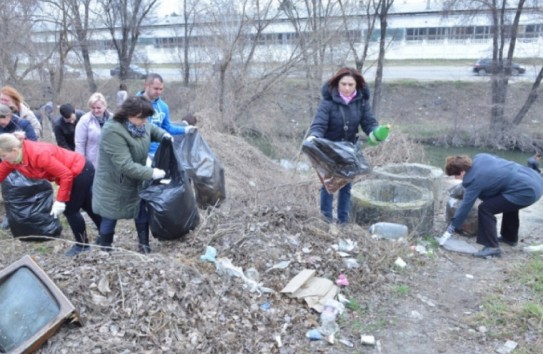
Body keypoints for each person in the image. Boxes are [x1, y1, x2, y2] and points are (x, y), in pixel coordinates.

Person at [306, 67, 387, 224]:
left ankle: (343, 222)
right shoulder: (328, 103)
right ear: (337, 84)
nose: (347, 88)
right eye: (344, 84)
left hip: (349, 151)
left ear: (357, 85)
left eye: (351, 84)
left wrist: (376, 133)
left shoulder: (361, 103)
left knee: (345, 187)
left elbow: (369, 123)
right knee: (328, 186)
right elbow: (319, 124)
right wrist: (313, 137)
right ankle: (326, 220)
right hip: (329, 151)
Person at [0, 133, 102, 256]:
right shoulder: (14, 159)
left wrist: (60, 200)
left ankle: (82, 245)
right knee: (86, 205)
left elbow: (66, 175)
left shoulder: (38, 154)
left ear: (14, 150)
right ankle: (105, 234)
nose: (3, 158)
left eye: (3, 155)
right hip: (74, 172)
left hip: (80, 170)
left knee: (70, 210)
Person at [92, 96, 170, 254]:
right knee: (110, 216)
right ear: (129, 114)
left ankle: (144, 246)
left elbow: (152, 130)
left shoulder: (141, 124)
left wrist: (165, 136)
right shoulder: (112, 131)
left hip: (136, 181)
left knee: (141, 212)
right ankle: (105, 249)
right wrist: (152, 173)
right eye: (142, 118)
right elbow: (125, 165)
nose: (145, 121)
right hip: (114, 183)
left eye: (146, 118)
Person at [443, 154, 543, 258]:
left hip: (528, 191)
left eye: (455, 175)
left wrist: (451, 228)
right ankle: (509, 238)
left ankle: (492, 247)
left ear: (462, 171)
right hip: (534, 180)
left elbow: (465, 207)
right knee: (507, 201)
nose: (456, 178)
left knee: (485, 208)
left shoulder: (473, 180)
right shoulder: (481, 157)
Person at [137, 73, 197, 158]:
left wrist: (186, 129)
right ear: (147, 85)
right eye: (156, 88)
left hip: (158, 152)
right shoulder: (134, 103)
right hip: (139, 153)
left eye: (161, 89)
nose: (158, 92)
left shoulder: (163, 107)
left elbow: (168, 127)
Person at [75, 92, 112, 167]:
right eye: (93, 108)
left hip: (110, 162)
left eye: (98, 108)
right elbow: (79, 144)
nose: (96, 110)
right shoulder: (84, 120)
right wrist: (82, 164)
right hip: (93, 162)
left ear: (105, 106)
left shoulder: (113, 119)